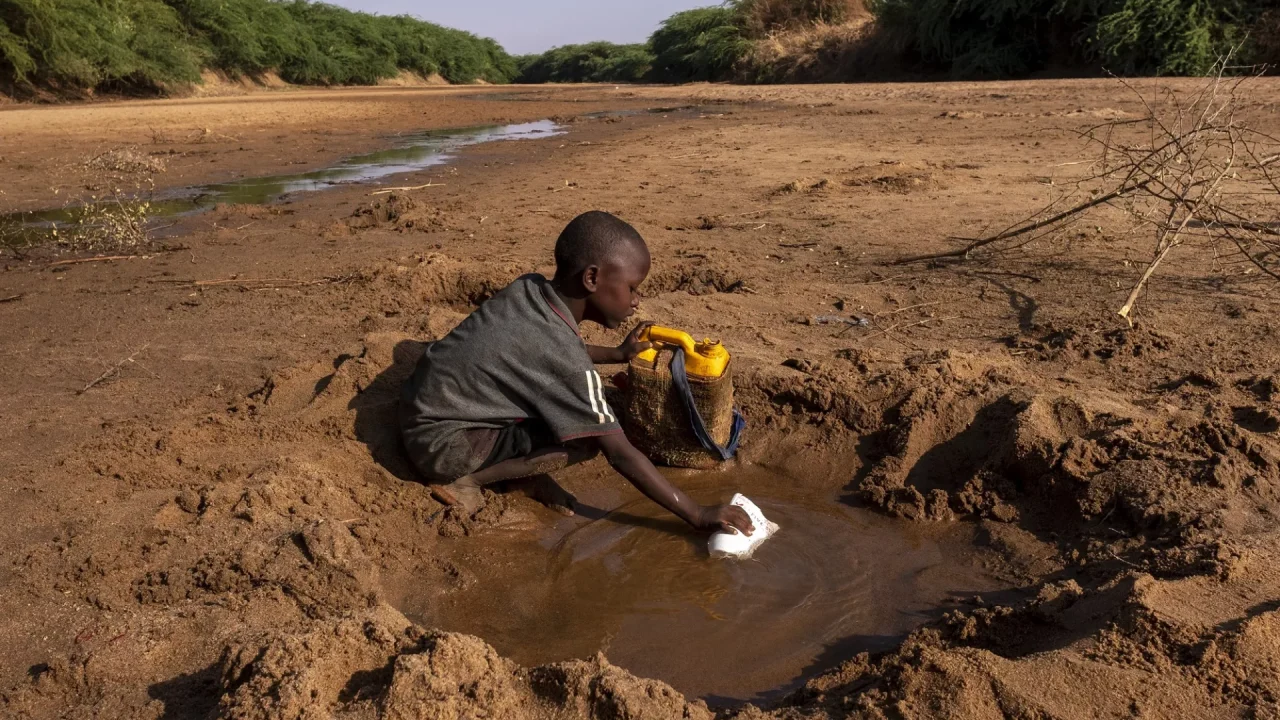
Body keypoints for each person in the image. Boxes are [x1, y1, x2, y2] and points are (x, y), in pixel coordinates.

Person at [399, 210, 753, 536]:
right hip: (443, 448)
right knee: (586, 438)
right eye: (631, 287)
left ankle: (520, 474)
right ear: (592, 278)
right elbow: (619, 453)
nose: (636, 300)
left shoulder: (530, 289)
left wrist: (616, 354)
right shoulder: (564, 358)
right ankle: (470, 480)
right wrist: (697, 512)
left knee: (565, 409)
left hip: (423, 411)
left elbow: (540, 355)